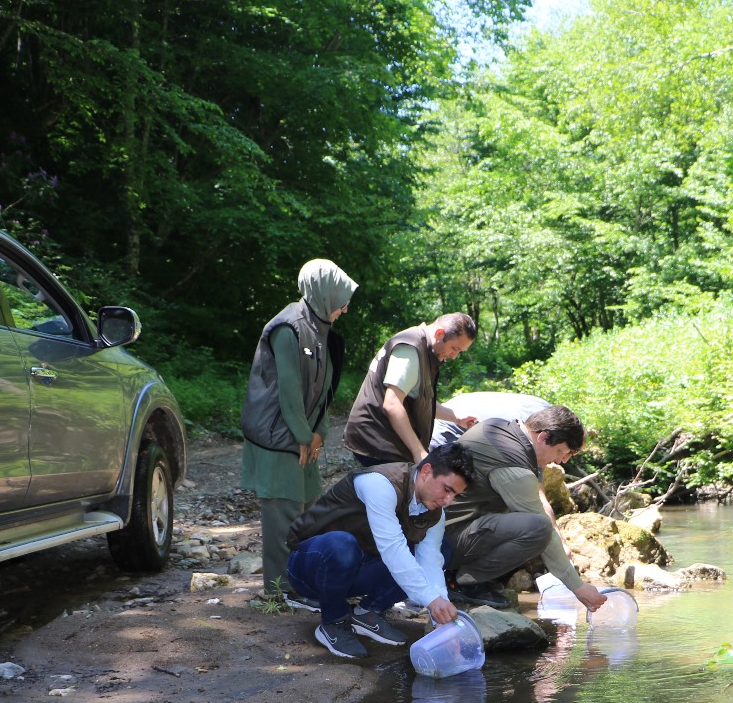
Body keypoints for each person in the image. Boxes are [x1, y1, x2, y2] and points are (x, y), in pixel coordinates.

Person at [286, 442, 476, 659]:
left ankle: (367, 612)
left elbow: (430, 561)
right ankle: (334, 622)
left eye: (456, 495)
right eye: (447, 489)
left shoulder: (436, 513)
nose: (449, 501)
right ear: (426, 471)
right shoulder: (379, 483)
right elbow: (392, 549)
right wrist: (432, 599)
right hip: (309, 569)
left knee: (442, 549)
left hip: (358, 569)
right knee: (341, 545)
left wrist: (442, 621)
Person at [240, 258, 356, 603]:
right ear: (324, 293)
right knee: (283, 516)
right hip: (277, 437)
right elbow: (288, 389)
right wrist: (305, 436)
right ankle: (281, 590)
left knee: (308, 510)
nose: (345, 308)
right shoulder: (287, 327)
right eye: (342, 299)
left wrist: (318, 430)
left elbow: (324, 388)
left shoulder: (320, 327)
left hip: (303, 435)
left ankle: (302, 582)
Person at [441, 404, 609, 614]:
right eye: (559, 452)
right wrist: (579, 587)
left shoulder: (500, 428)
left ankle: (463, 576)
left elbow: (538, 499)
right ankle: (462, 582)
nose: (559, 460)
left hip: (440, 530)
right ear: (543, 437)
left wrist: (560, 537)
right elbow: (541, 524)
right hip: (445, 542)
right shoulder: (513, 463)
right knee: (537, 529)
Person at [342, 313, 478, 466]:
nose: (454, 356)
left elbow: (421, 403)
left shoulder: (425, 350)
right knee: (397, 487)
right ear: (439, 333)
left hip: (385, 437)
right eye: (455, 348)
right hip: (376, 439)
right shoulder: (410, 349)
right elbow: (392, 404)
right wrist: (418, 452)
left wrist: (457, 418)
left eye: (460, 351)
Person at [428, 390, 551, 450]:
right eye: (565, 452)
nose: (563, 460)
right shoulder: (532, 422)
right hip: (449, 425)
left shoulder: (546, 411)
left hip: (459, 414)